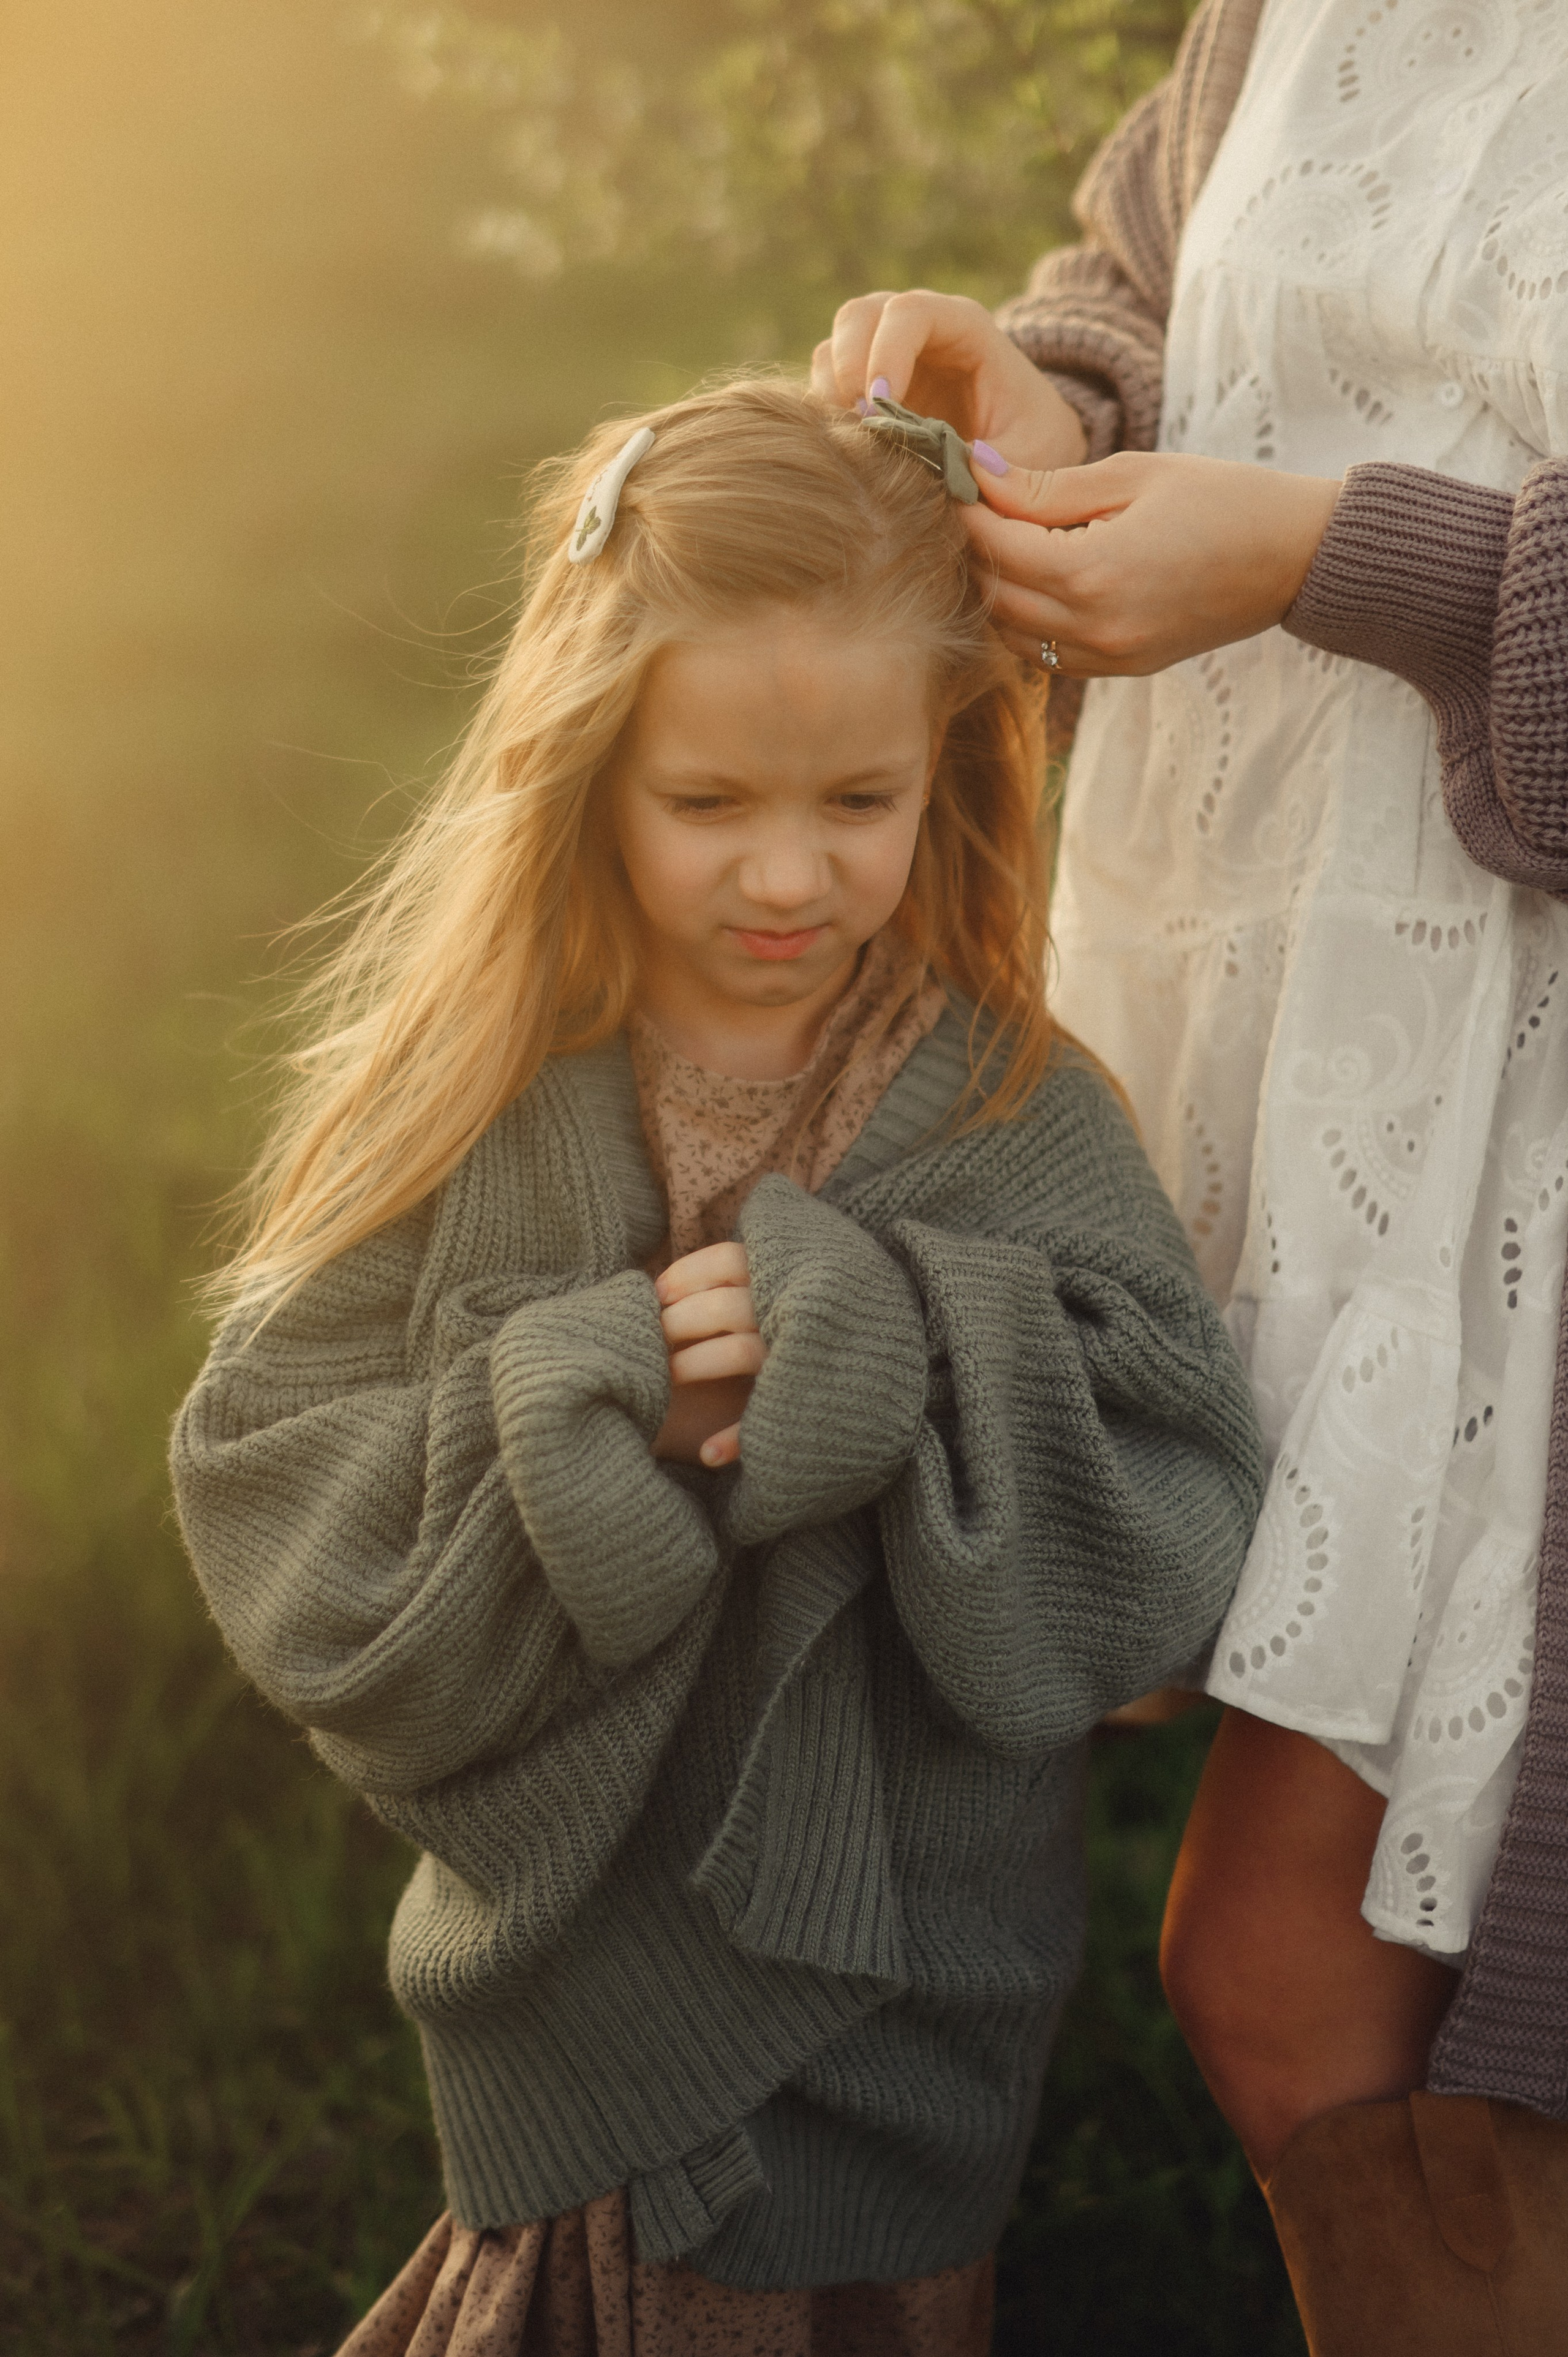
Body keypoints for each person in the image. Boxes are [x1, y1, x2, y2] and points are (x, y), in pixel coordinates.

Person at [169, 379, 1264, 2356]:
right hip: (578, 1952)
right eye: (711, 806)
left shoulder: (1014, 1107)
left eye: (859, 803)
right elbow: (274, 1458)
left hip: (909, 1974)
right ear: (586, 773)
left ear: (954, 771)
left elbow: (1166, 1492)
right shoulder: (479, 1105)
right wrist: (595, 1395)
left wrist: (904, 1346)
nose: (788, 879)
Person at [812, 1, 1568, 2348]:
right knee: (1305, 1991)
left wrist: (1363, 565)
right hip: (1305, 1028)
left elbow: (1382, 480)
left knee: (1318, 1983)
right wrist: (1066, 396)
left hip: (1514, 1108)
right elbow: (1189, 263)